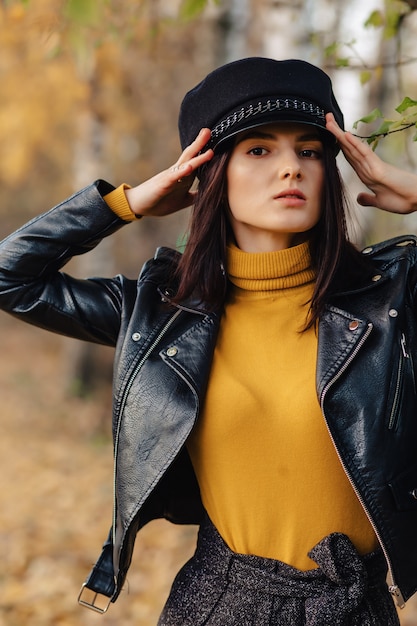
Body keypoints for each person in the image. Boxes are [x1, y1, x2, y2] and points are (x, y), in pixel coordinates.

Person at [0, 57, 417, 625]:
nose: (291, 168)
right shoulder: (161, 312)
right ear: (210, 172)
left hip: (357, 605)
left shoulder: (389, 300)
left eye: (310, 150)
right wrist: (124, 203)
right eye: (259, 149)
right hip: (222, 604)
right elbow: (11, 277)